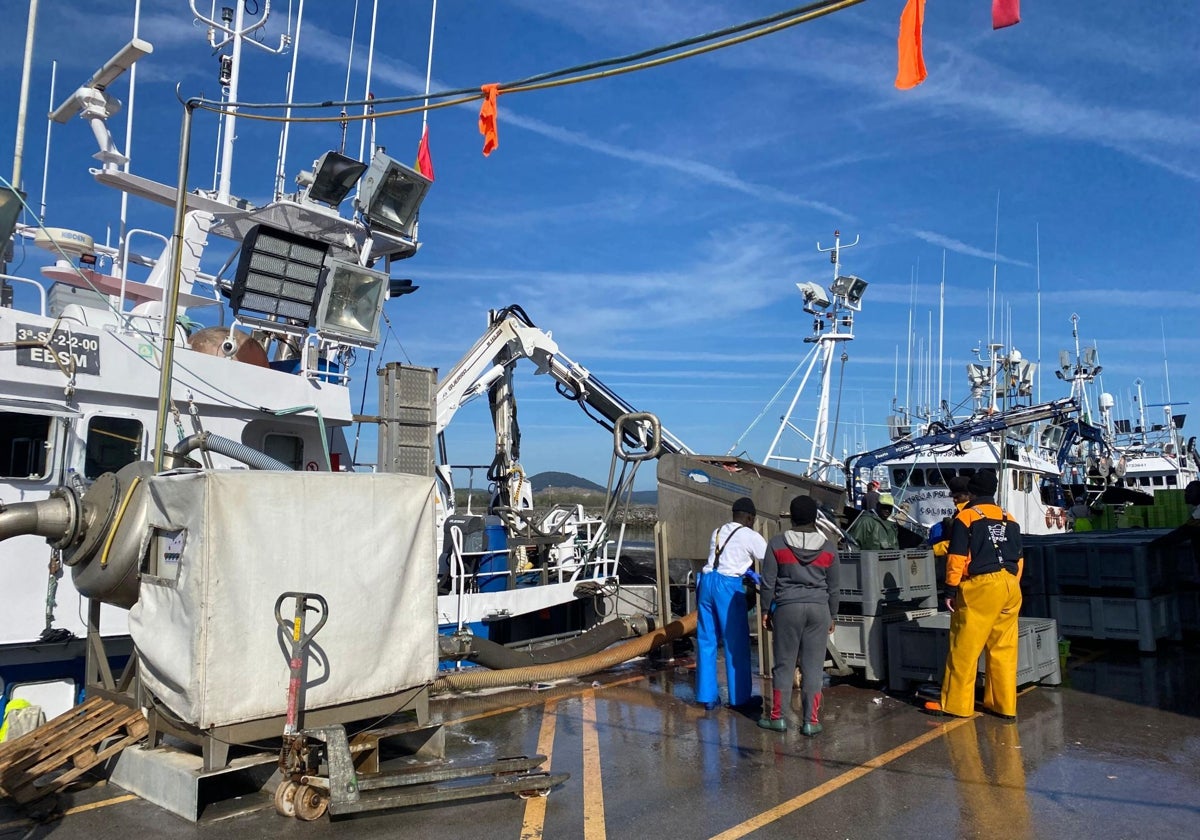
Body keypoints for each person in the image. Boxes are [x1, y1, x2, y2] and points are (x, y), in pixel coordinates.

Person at [925, 469, 1023, 719]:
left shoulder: (966, 517)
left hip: (981, 585)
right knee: (1003, 649)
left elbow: (956, 558)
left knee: (964, 649)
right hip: (1011, 585)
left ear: (973, 492)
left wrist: (950, 590)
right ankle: (1003, 706)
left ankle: (956, 705)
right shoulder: (1008, 517)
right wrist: (1009, 583)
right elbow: (1019, 559)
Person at [758, 495, 839, 735]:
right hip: (818, 610)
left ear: (791, 517)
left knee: (784, 665)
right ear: (815, 517)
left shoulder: (777, 544)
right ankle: (811, 721)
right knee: (813, 667)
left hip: (787, 609)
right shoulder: (829, 547)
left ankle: (777, 718)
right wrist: (832, 614)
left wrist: (765, 610)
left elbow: (768, 582)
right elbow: (834, 588)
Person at [695, 497, 767, 711]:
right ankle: (740, 699)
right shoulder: (750, 535)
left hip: (706, 582)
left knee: (706, 640)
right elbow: (769, 559)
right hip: (727, 586)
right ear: (749, 517)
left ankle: (707, 697)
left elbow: (724, 558)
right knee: (735, 643)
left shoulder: (717, 532)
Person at [931, 476, 972, 557]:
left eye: (957, 497)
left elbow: (961, 543)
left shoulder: (970, 513)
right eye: (953, 497)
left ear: (968, 495)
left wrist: (933, 549)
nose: (954, 500)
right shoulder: (959, 511)